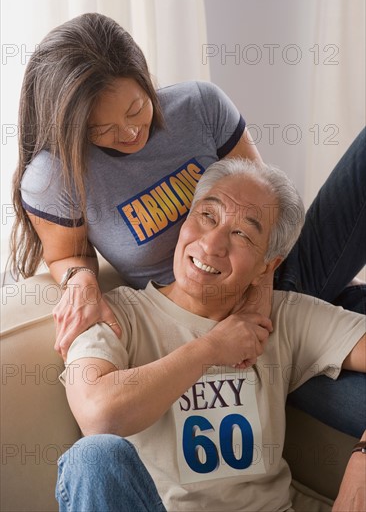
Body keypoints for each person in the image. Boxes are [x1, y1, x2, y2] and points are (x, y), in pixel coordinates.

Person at [10, 12, 365, 436]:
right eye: (101, 130)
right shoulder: (55, 176)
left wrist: (258, 299)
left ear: (144, 77)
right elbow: (67, 252)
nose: (128, 133)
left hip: (276, 273)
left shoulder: (199, 105)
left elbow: (265, 202)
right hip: (208, 316)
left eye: (136, 109)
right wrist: (81, 282)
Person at [58, 158, 365, 512]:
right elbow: (99, 417)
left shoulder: (284, 317)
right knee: (94, 457)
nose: (212, 244)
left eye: (242, 234)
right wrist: (211, 348)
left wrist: (362, 459)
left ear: (268, 266)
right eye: (207, 216)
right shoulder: (116, 316)